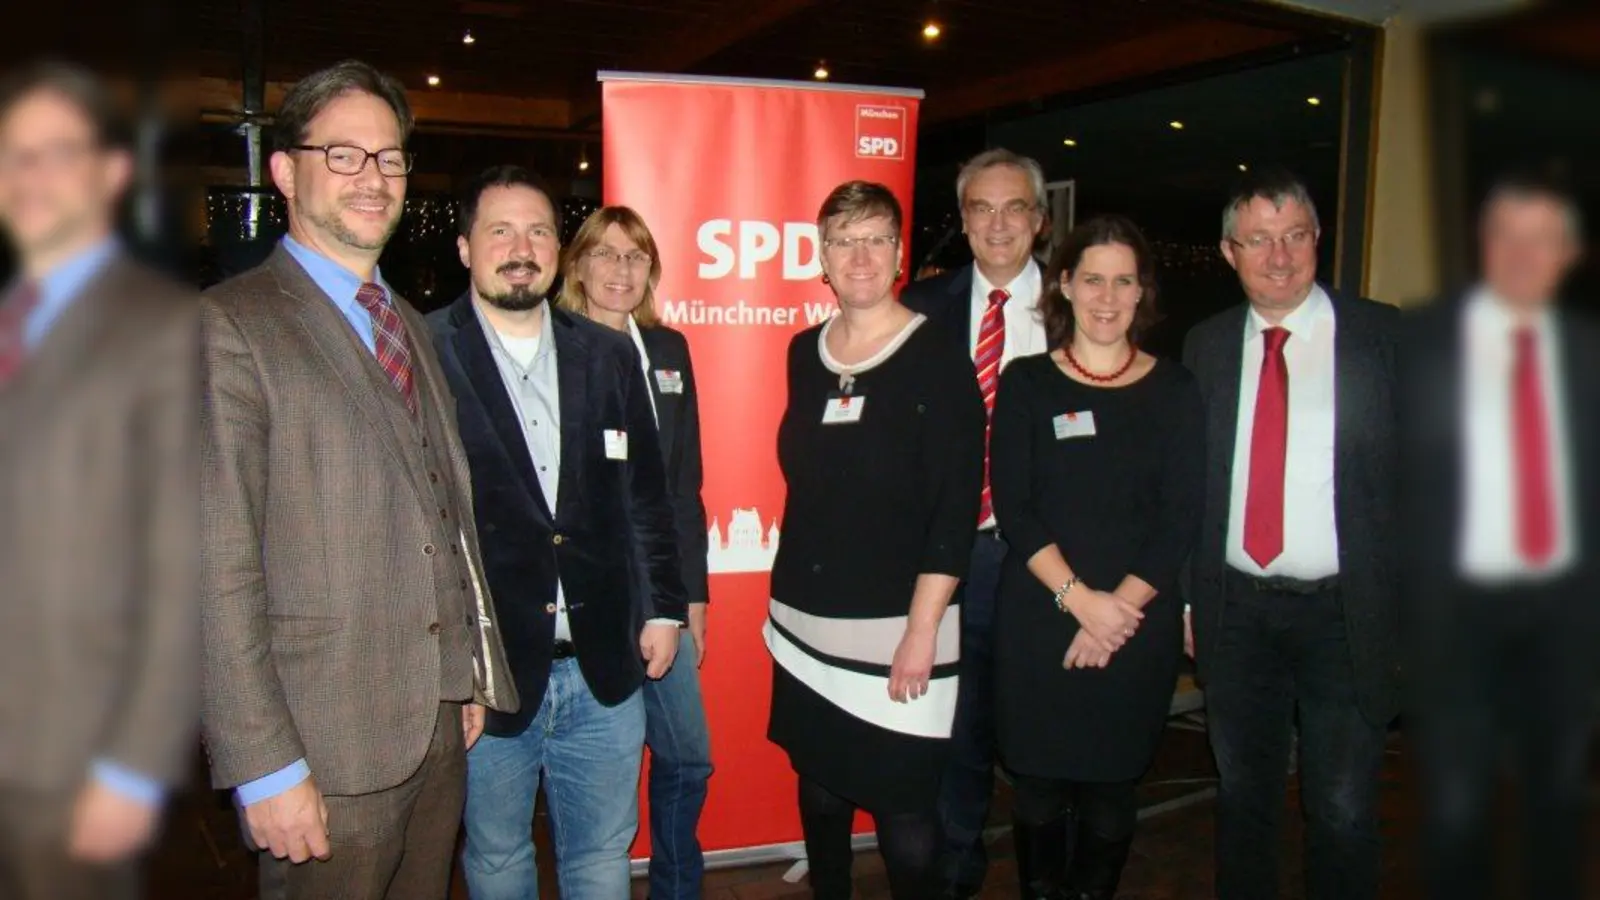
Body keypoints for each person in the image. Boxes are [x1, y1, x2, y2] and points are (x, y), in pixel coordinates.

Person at [199, 60, 519, 900]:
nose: (373, 178)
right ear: (284, 170)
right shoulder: (230, 328)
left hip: (438, 731)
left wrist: (465, 671)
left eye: (390, 158)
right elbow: (211, 566)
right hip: (322, 745)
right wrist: (265, 766)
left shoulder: (406, 321)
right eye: (343, 155)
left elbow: (439, 508)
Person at [427, 166, 686, 900]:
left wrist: (664, 607)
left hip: (605, 667)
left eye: (539, 230)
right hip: (490, 673)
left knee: (602, 854)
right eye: (500, 230)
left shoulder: (605, 355)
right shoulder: (425, 350)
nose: (521, 246)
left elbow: (647, 498)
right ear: (463, 247)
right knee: (500, 853)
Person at [0, 60, 195, 900]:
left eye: (57, 152)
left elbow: (182, 564)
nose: (30, 176)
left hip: (68, 761)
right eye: (13, 154)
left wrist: (133, 768)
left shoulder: (161, 329)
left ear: (113, 173)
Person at [1181, 167, 1399, 900]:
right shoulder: (1205, 347)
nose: (1279, 256)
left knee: (1340, 806)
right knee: (1244, 799)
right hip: (1236, 614)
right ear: (1228, 251)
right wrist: (1189, 601)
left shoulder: (1381, 335)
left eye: (1295, 235)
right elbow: (1190, 488)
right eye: (1259, 240)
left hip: (1345, 613)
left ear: (1318, 239)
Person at [765, 180, 986, 899]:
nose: (859, 254)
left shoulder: (938, 357)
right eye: (842, 239)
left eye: (875, 239)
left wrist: (923, 631)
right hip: (805, 621)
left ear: (897, 254)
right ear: (821, 258)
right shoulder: (804, 352)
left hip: (900, 626)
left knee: (905, 811)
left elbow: (956, 508)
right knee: (822, 791)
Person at [990, 215, 1204, 900]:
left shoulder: (1176, 390)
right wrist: (1081, 602)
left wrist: (1115, 614)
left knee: (1113, 786)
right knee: (1038, 787)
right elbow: (1016, 510)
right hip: (1041, 619)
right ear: (1065, 286)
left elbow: (1181, 519)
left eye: (1123, 281)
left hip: (1136, 628)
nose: (1107, 297)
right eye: (1092, 280)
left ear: (1142, 293)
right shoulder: (1027, 383)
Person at [1401, 172, 1600, 900]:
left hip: (1567, 618)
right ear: (1483, 245)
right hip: (1459, 619)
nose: (1522, 254)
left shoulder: (1589, 353)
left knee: (1557, 805)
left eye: (1542, 239)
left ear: (1568, 253)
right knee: (1456, 815)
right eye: (1506, 236)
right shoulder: (1418, 343)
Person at [899, 148, 1050, 899]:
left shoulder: (1079, 305)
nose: (998, 224)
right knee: (954, 730)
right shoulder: (920, 308)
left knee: (1034, 736)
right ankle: (957, 871)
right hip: (948, 555)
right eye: (981, 209)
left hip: (1043, 563)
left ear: (1039, 219)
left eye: (1014, 207)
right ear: (962, 221)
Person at [556, 204, 713, 900]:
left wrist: (692, 596)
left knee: (688, 758)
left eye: (636, 256)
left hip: (662, 592)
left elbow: (684, 485)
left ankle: (677, 889)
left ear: (652, 270)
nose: (621, 269)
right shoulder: (548, 348)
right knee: (593, 782)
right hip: (589, 597)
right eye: (606, 253)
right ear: (579, 264)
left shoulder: (670, 352)